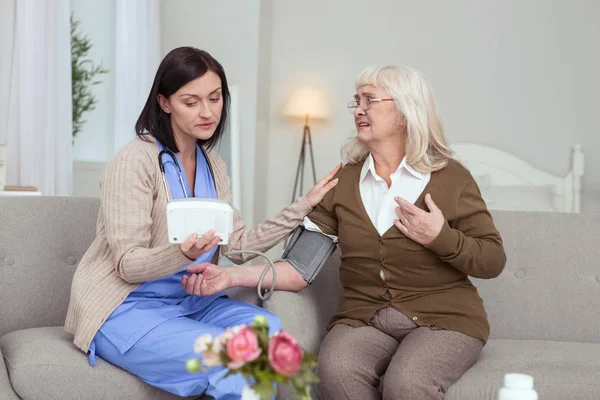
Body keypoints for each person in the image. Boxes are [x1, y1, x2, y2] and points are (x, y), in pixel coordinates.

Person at [187, 65, 506, 399]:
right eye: (356, 101)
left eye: (369, 100)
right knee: (336, 371)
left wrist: (440, 236)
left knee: (406, 383)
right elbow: (299, 269)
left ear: (404, 109)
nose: (359, 109)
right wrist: (229, 277)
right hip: (364, 318)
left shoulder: (451, 177)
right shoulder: (343, 183)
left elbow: (493, 260)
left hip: (445, 319)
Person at [64, 46, 340, 399]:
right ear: (165, 103)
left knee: (266, 331)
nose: (207, 112)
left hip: (190, 304)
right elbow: (127, 264)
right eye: (190, 102)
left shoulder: (213, 164)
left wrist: (304, 205)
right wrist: (181, 253)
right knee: (231, 359)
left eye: (214, 98)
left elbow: (239, 248)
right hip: (124, 308)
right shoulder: (135, 160)